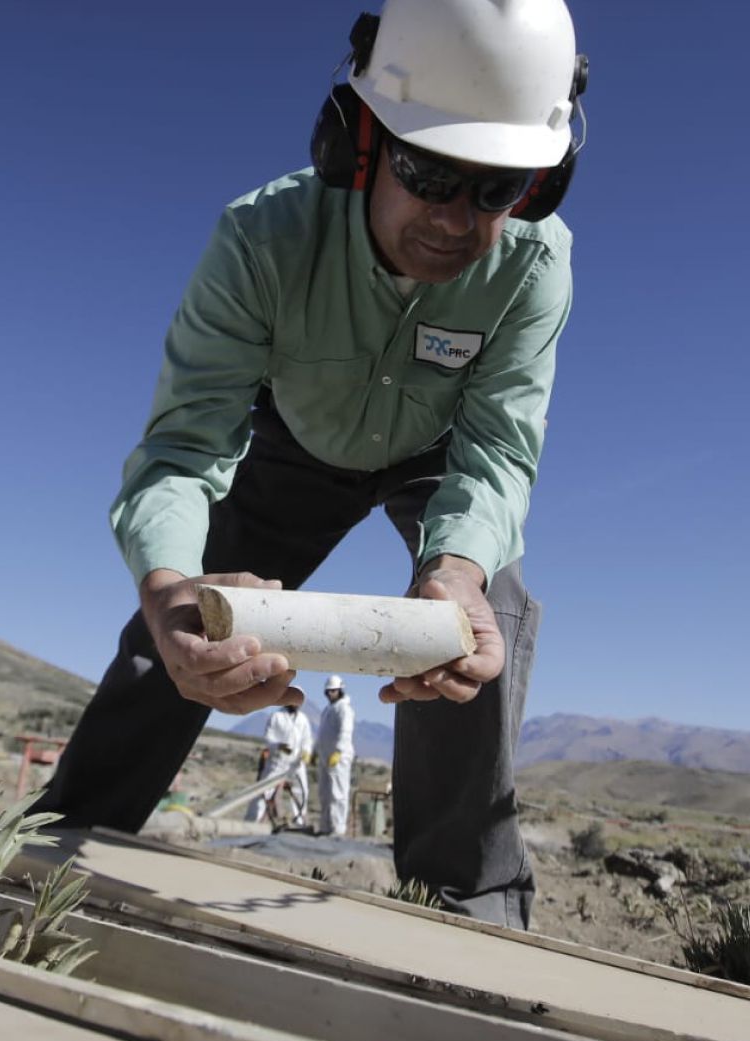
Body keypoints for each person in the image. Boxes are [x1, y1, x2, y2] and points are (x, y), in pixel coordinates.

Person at [34, 0, 585, 928]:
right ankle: (61, 840)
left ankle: (469, 901)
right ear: (359, 141)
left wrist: (455, 569)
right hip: (291, 441)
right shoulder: (263, 237)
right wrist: (168, 587)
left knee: (488, 616)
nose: (458, 221)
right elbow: (185, 445)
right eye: (431, 172)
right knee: (180, 613)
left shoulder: (536, 266)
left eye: (499, 190)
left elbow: (496, 448)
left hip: (434, 457)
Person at [245, 692, 313, 826]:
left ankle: (299, 822)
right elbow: (268, 737)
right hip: (277, 762)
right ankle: (252, 822)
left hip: (296, 764)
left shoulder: (303, 719)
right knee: (263, 791)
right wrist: (278, 746)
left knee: (301, 791)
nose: (295, 704)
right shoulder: (276, 716)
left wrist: (306, 752)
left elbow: (307, 739)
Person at [315, 675, 357, 836]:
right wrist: (315, 751)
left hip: (339, 758)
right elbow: (322, 734)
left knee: (338, 793)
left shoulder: (344, 709)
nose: (330, 694)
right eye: (327, 691)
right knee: (324, 792)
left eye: (333, 691)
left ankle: (338, 829)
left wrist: (338, 752)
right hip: (325, 757)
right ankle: (326, 827)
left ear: (340, 690)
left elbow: (345, 732)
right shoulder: (327, 710)